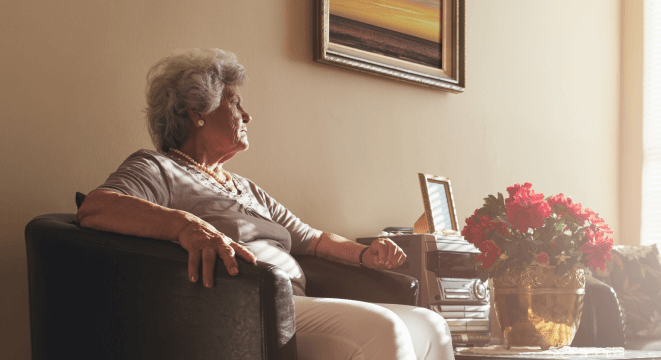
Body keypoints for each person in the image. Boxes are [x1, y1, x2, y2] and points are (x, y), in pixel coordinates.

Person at [77, 48, 454, 360]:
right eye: (234, 102)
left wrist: (364, 254)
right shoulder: (159, 167)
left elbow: (315, 240)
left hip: (295, 303)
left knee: (430, 323)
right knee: (383, 328)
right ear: (197, 114)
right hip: (247, 308)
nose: (247, 115)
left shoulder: (246, 188)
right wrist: (186, 225)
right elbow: (96, 207)